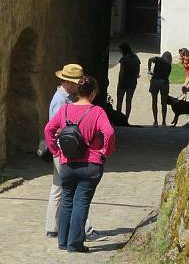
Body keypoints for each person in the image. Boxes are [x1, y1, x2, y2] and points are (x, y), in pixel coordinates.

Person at [45, 75, 116, 253]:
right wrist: (105, 152)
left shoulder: (65, 110)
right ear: (92, 93)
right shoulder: (97, 112)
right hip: (90, 163)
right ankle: (75, 244)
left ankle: (63, 241)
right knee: (81, 203)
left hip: (67, 163)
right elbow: (109, 133)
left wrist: (55, 150)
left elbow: (48, 129)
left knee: (67, 200)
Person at [44, 64, 99, 242]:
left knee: (58, 188)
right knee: (75, 189)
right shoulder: (60, 100)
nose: (78, 86)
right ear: (69, 82)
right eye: (77, 83)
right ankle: (85, 229)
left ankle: (52, 227)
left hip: (62, 149)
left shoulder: (65, 97)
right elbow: (54, 128)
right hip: (64, 150)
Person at [116, 42, 141, 121]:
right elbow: (138, 72)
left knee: (119, 101)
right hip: (132, 82)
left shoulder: (124, 59)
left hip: (123, 82)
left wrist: (119, 84)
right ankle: (126, 118)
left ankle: (118, 118)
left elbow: (121, 73)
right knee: (128, 102)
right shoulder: (136, 58)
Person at [147, 51, 172, 126]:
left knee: (154, 101)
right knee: (164, 103)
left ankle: (155, 121)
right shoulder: (169, 65)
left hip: (155, 81)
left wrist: (149, 69)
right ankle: (164, 121)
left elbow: (150, 59)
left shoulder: (158, 59)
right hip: (164, 82)